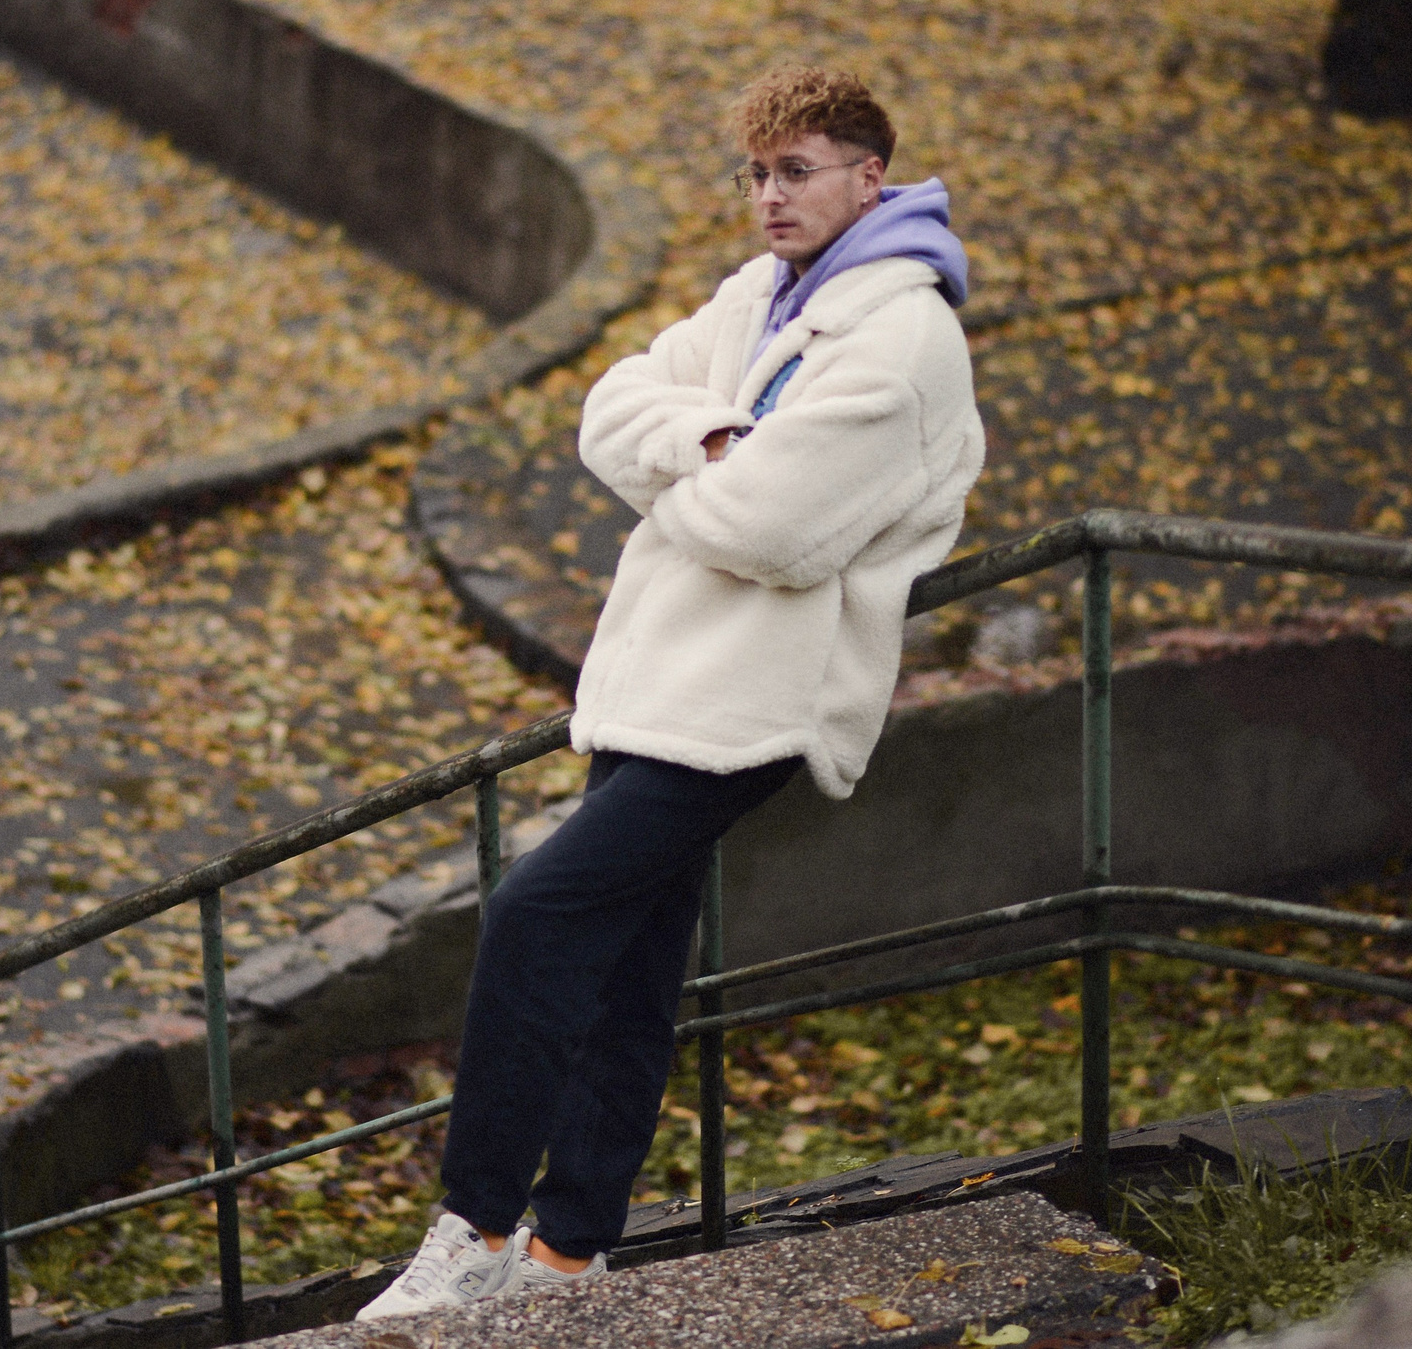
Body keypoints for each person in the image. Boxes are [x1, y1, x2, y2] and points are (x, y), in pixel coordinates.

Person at [357, 65, 986, 1320]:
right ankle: (569, 1254)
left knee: (536, 914)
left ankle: (475, 1229)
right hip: (660, 678)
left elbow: (774, 532)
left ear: (871, 177)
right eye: (755, 174)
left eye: (796, 171)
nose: (769, 196)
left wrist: (678, 481)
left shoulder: (906, 339)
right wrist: (707, 443)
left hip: (755, 703)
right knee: (633, 971)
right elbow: (611, 406)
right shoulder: (761, 294)